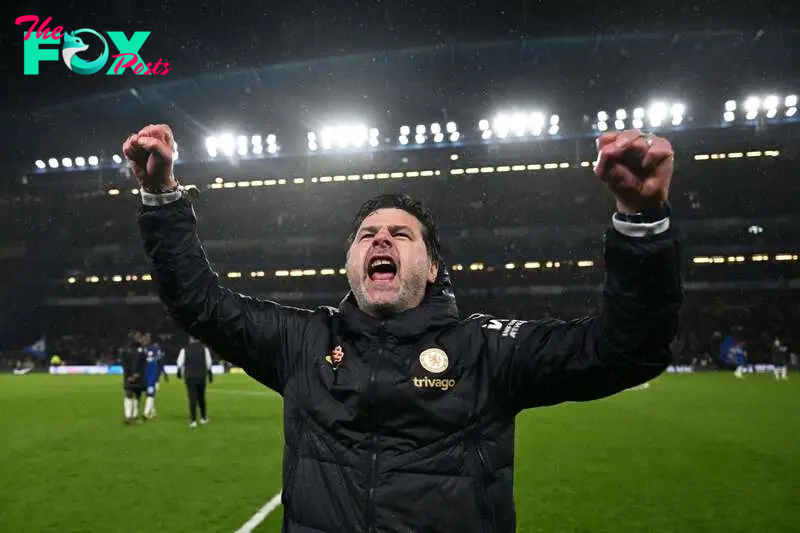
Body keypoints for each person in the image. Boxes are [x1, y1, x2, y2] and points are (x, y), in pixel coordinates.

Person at [124, 124, 683, 532]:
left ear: (434, 267)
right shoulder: (301, 342)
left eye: (401, 233)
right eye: (367, 235)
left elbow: (626, 350)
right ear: (350, 264)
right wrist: (161, 198)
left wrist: (641, 221)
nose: (382, 240)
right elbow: (197, 301)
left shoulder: (486, 351)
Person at [176, 336, 214, 428]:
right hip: (201, 376)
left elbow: (180, 363)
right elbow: (208, 363)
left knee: (192, 398)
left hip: (189, 377)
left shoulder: (185, 349)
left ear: (190, 339)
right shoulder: (204, 349)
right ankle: (203, 418)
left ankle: (193, 421)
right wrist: (210, 374)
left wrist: (178, 372)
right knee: (201, 398)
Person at [121, 331, 147, 424]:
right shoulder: (127, 350)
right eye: (138, 337)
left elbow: (144, 363)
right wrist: (130, 375)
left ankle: (134, 416)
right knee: (129, 394)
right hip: (131, 377)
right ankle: (128, 416)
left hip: (137, 377)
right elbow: (124, 364)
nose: (140, 338)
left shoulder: (142, 350)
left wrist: (138, 374)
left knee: (137, 396)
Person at [142, 335, 168, 419]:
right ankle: (153, 413)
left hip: (154, 377)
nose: (144, 341)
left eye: (146, 339)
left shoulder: (155, 349)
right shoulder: (142, 350)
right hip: (144, 377)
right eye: (144, 339)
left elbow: (161, 362)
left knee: (150, 394)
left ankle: (146, 413)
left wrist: (164, 373)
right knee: (149, 395)